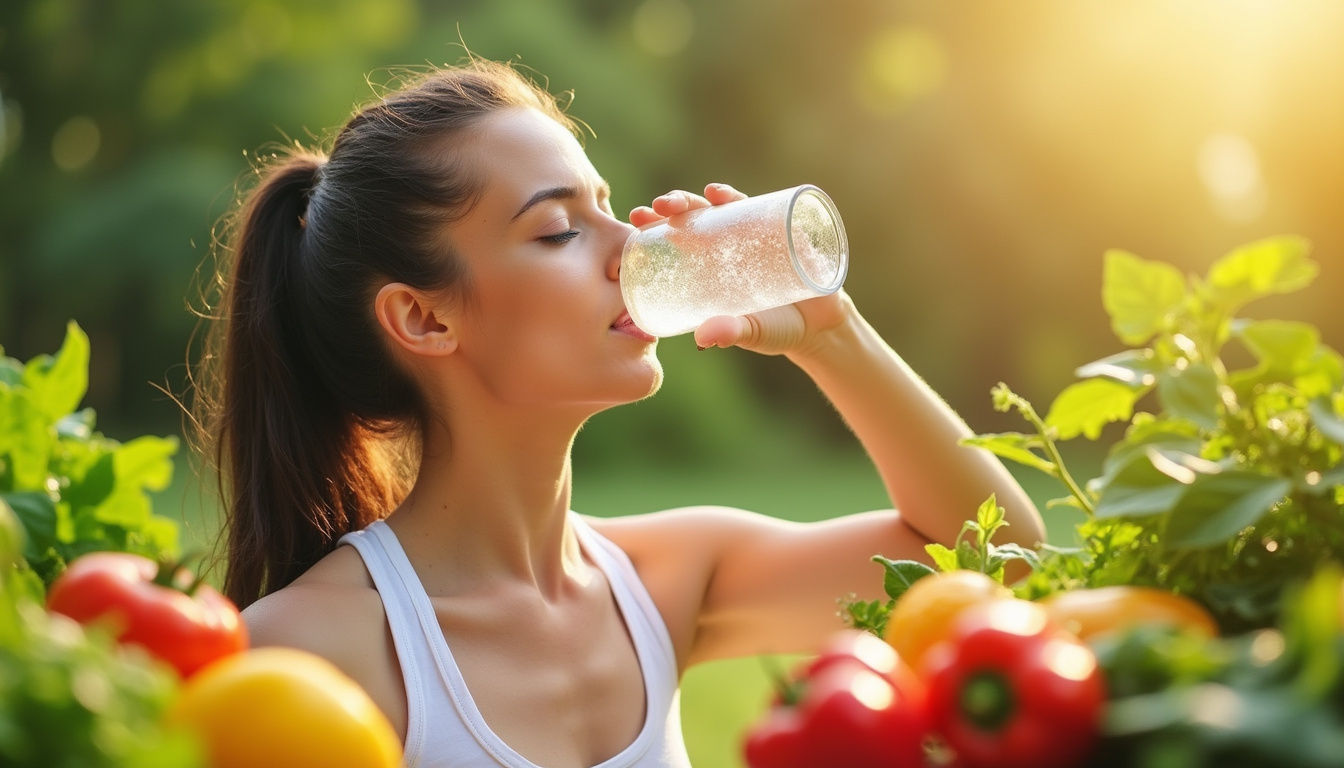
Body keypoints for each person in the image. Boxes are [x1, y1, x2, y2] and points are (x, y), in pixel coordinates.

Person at [196, 58, 1045, 768]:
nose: (633, 247)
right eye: (561, 229)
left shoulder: (665, 582)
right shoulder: (306, 652)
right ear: (425, 318)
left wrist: (835, 335)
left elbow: (992, 563)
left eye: (608, 207)